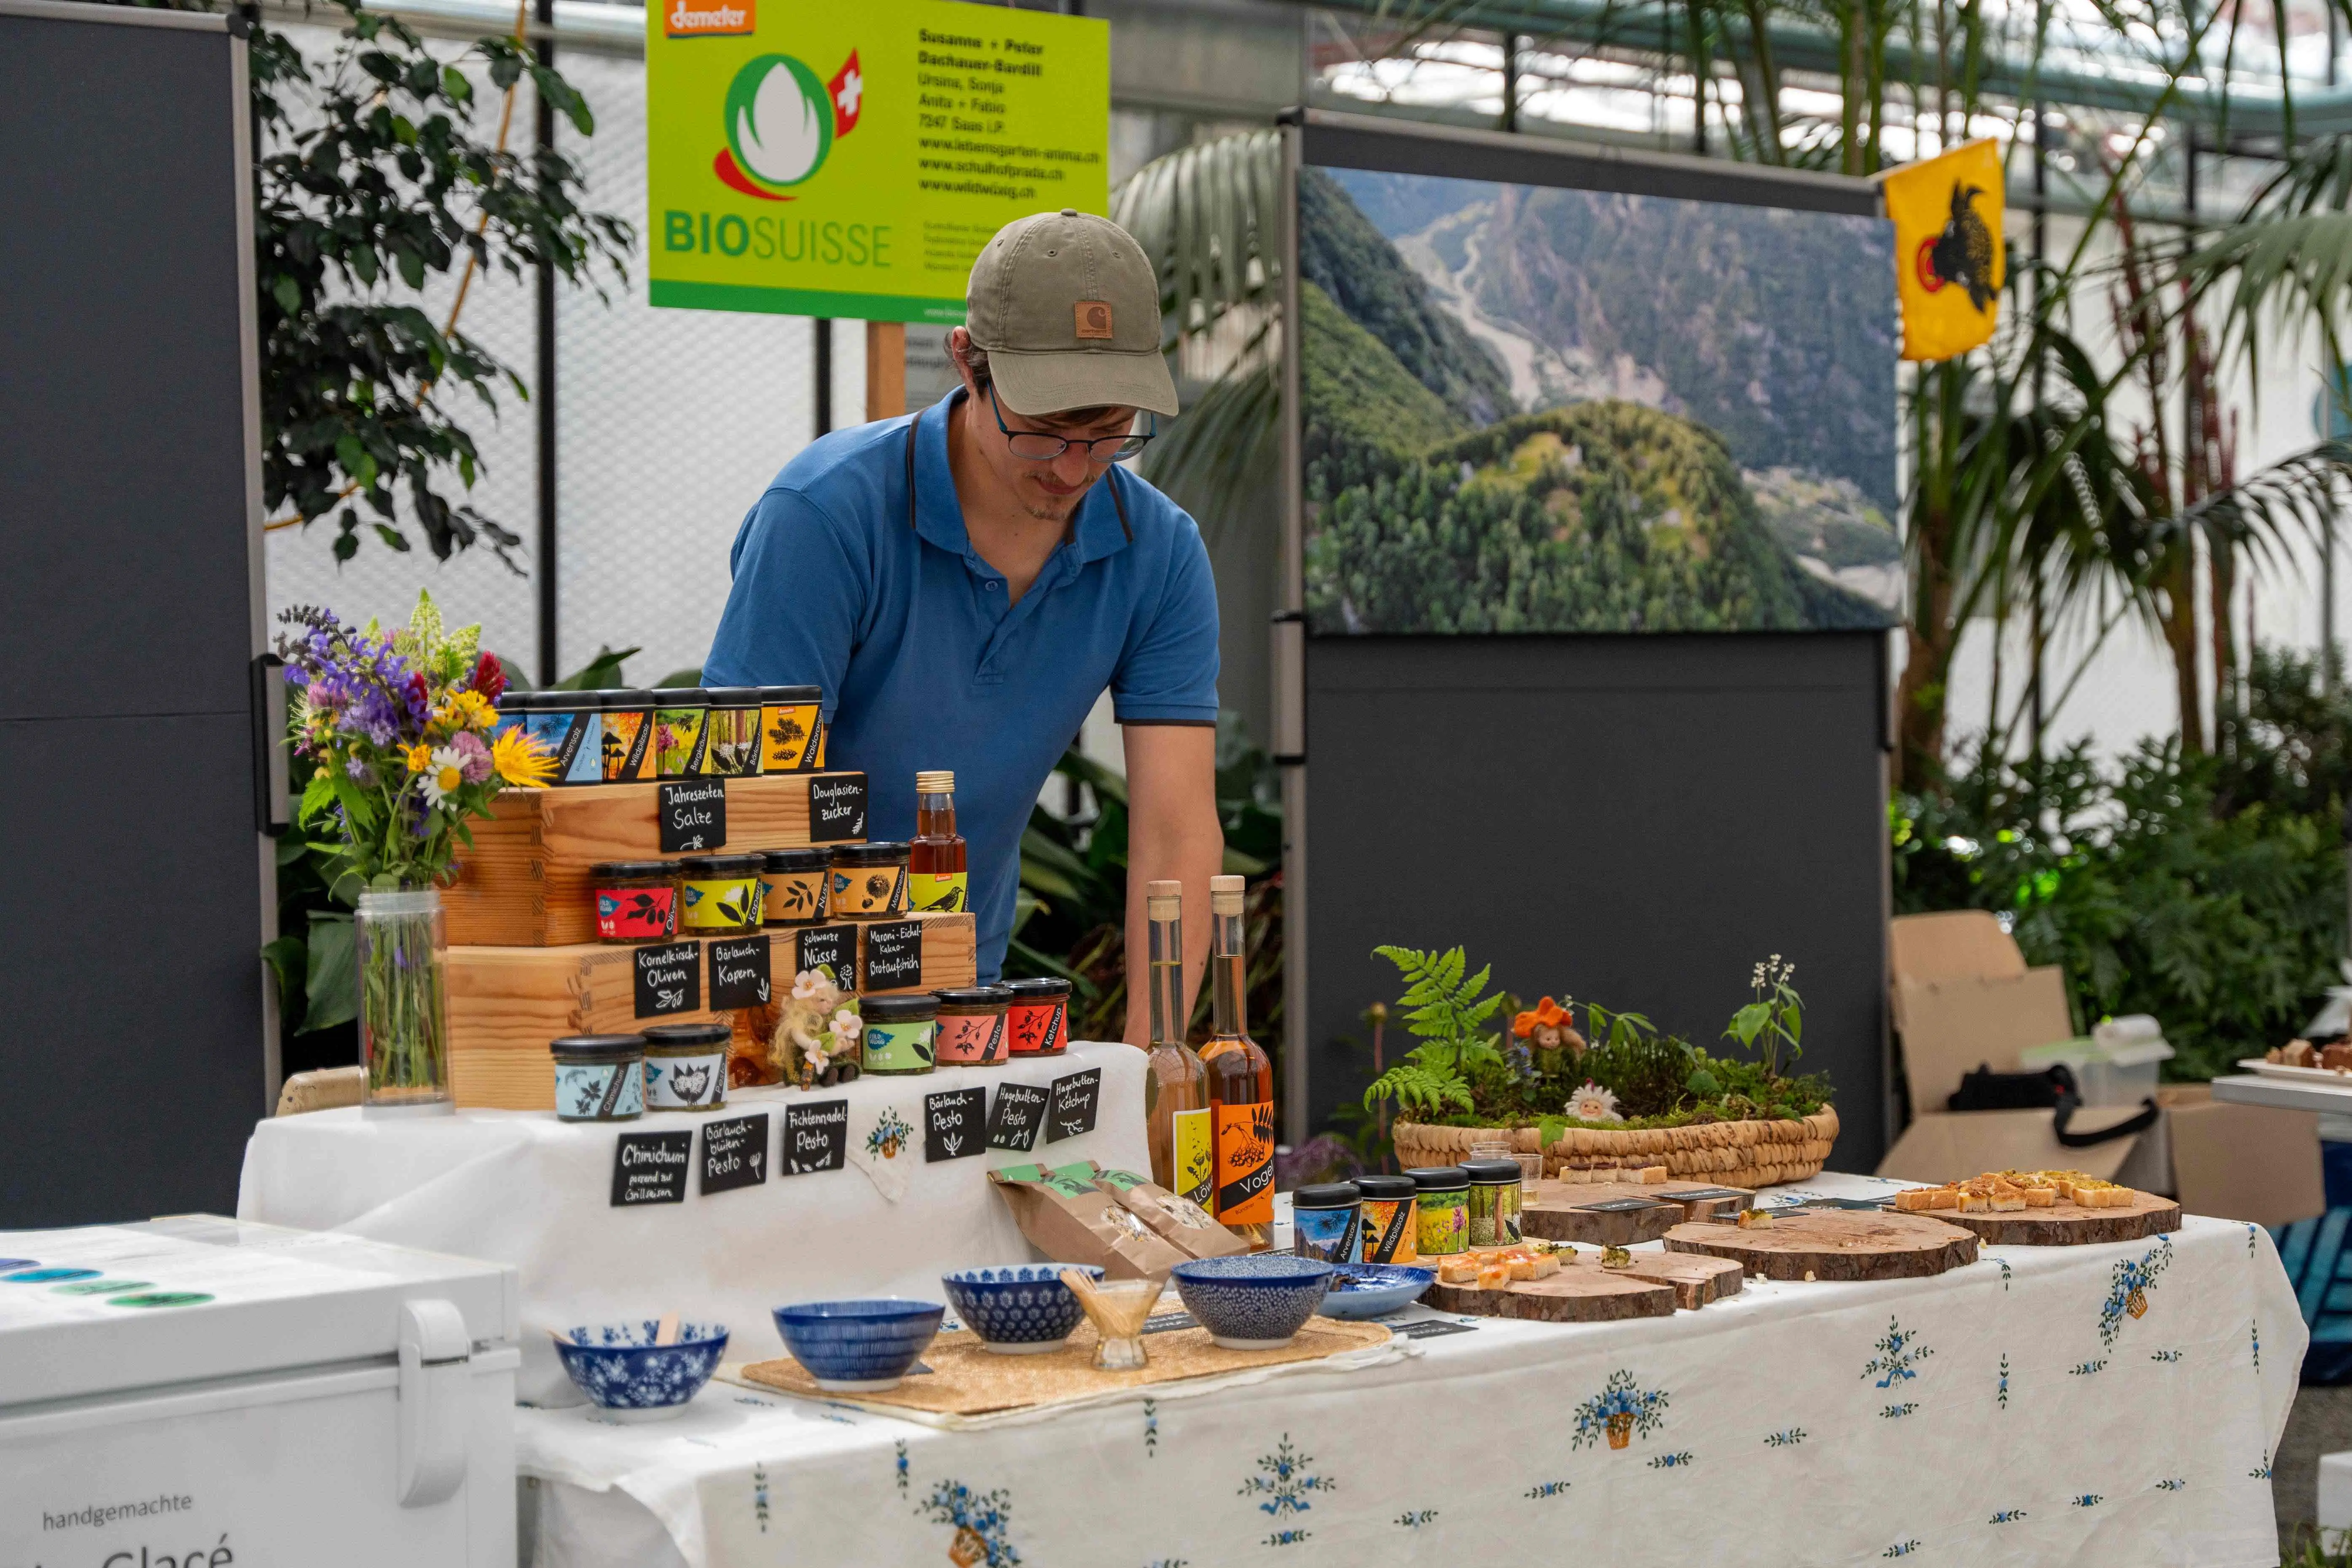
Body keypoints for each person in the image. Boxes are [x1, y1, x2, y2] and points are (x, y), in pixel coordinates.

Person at [704, 209, 1226, 1045]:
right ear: (966, 362)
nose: (1071, 469)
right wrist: (800, 1027)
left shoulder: (1158, 553)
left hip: (961, 994)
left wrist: (1153, 1059)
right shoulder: (824, 517)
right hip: (778, 997)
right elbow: (748, 794)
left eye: (1108, 436)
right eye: (1044, 430)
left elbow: (1175, 830)